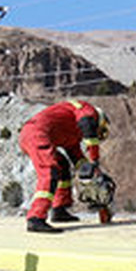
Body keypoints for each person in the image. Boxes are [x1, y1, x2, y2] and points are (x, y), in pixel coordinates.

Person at [19, 99, 110, 233]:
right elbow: (87, 123)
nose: (97, 135)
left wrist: (93, 173)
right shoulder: (88, 110)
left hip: (33, 134)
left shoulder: (72, 134)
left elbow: (78, 159)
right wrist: (95, 159)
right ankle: (35, 217)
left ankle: (59, 209)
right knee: (50, 171)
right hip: (36, 133)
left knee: (62, 166)